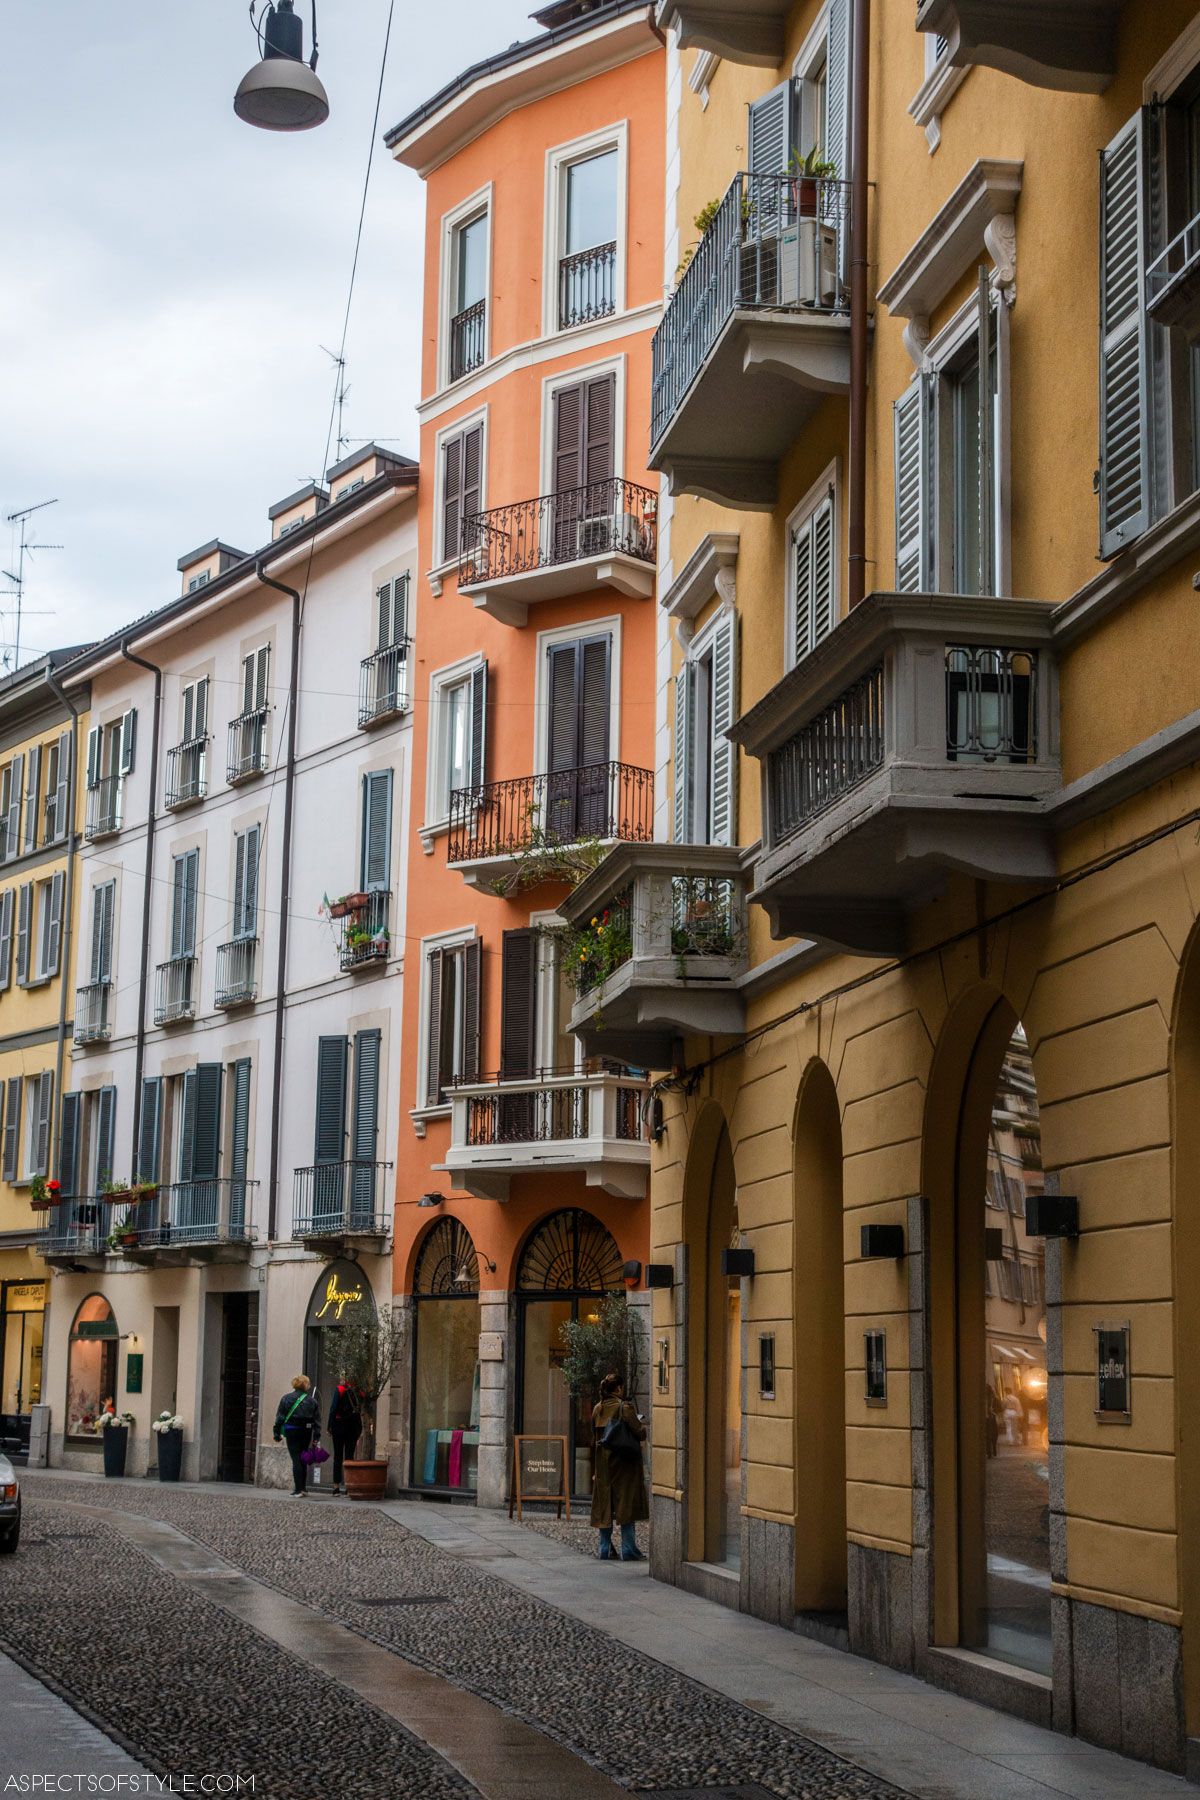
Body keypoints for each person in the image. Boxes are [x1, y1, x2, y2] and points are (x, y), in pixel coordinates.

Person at [591, 1370, 648, 1562]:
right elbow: (639, 1432)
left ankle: (604, 1548)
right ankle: (628, 1549)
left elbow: (595, 1437)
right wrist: (644, 1428)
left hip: (603, 1462)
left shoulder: (598, 1408)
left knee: (604, 1505)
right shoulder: (625, 1407)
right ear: (619, 1388)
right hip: (624, 1462)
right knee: (626, 1504)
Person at [273, 1374, 321, 1496]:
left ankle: (298, 1489)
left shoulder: (286, 1398)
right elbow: (317, 1422)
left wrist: (276, 1433)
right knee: (303, 1458)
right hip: (306, 1432)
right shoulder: (312, 1401)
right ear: (306, 1385)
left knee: (296, 1459)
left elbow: (279, 1418)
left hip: (292, 1431)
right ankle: (303, 1488)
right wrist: (316, 1437)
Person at [327, 1381, 362, 1495]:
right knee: (349, 1456)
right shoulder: (359, 1390)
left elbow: (333, 1409)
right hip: (353, 1426)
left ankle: (336, 1487)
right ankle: (348, 1486)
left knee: (338, 1456)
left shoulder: (340, 1389)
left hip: (339, 1425)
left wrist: (329, 1426)